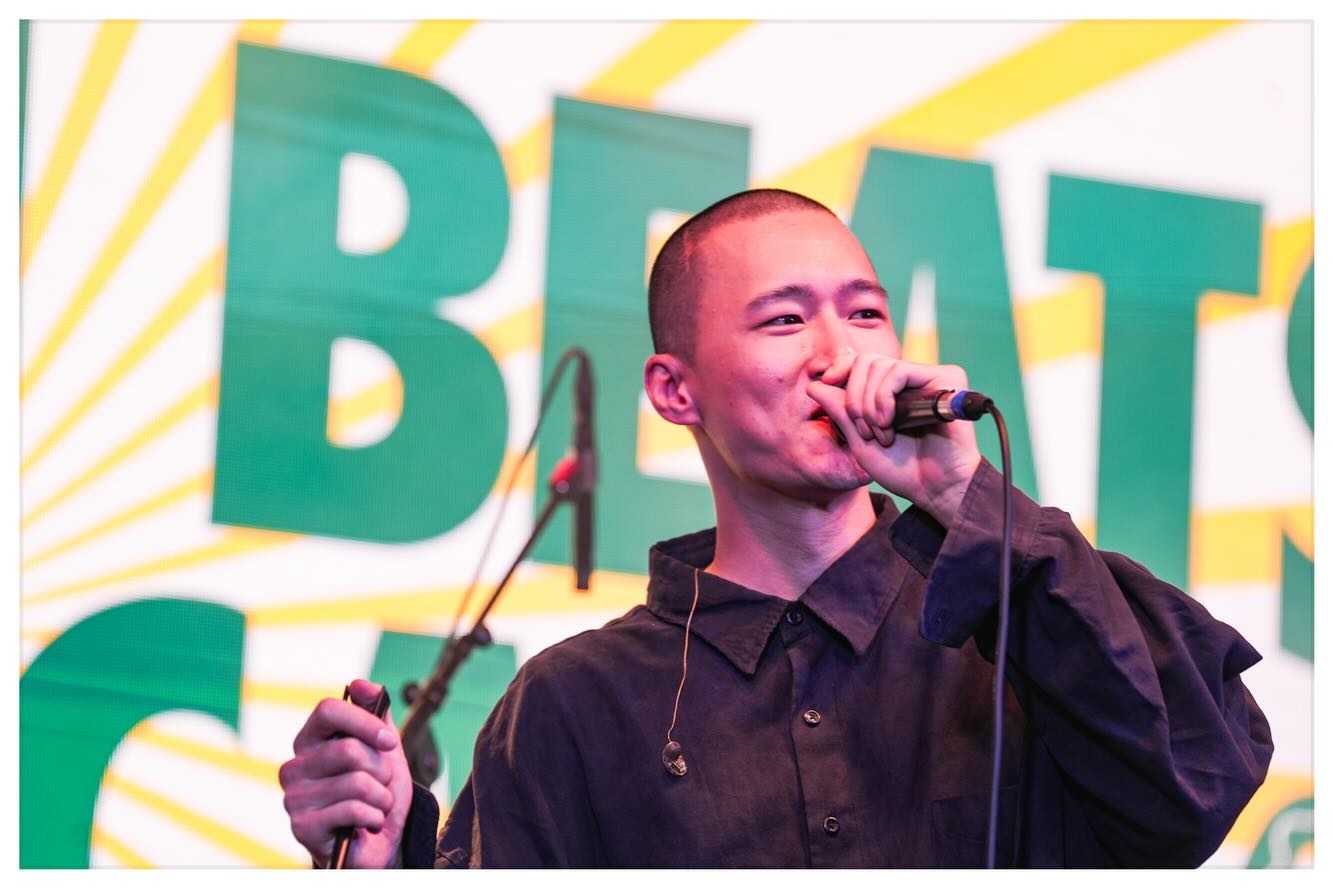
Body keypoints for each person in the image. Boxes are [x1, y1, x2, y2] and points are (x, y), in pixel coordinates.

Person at [279, 189, 1272, 868]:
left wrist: (963, 497)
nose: (839, 355)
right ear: (674, 390)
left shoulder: (1021, 626)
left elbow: (1197, 791)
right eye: (785, 321)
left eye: (866, 314)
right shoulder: (575, 706)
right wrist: (387, 860)